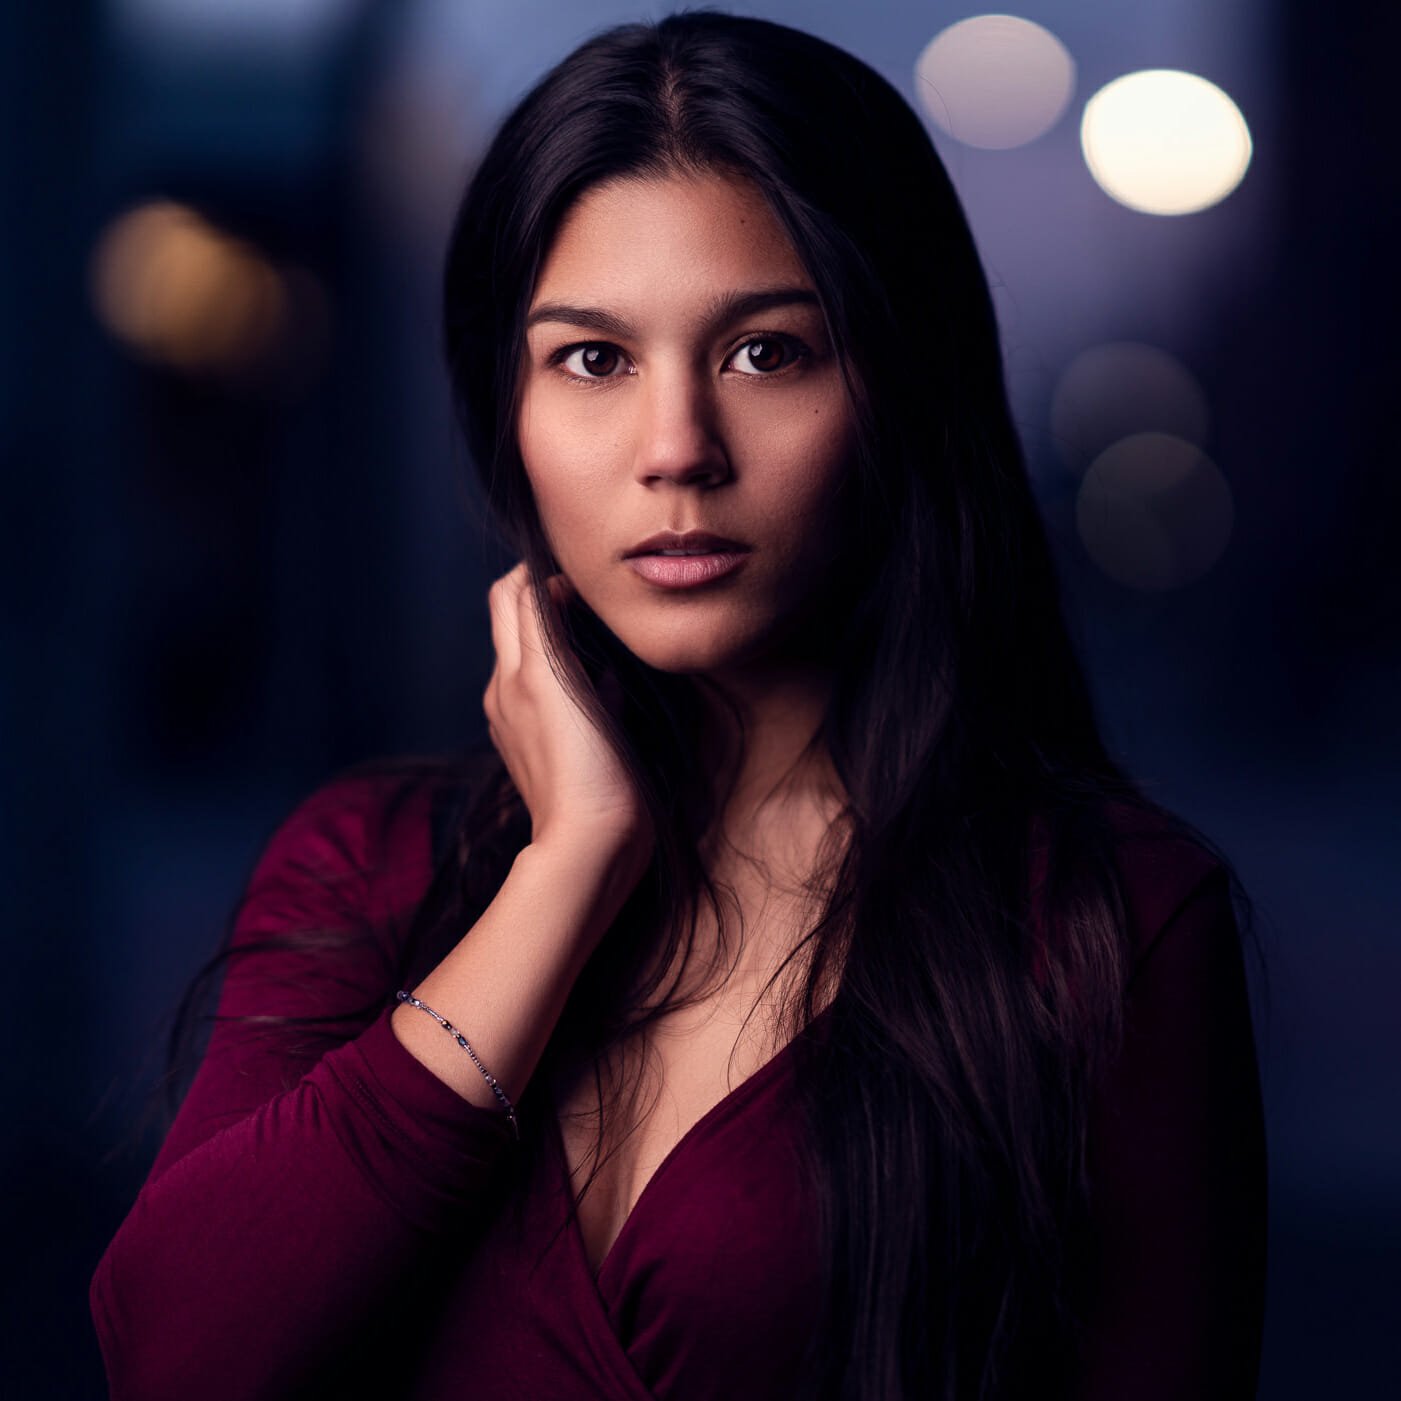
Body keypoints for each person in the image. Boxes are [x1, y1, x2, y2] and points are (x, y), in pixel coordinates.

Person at [90, 10, 1267, 1400]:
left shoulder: (1105, 925)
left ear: (902, 389)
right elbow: (175, 1357)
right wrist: (570, 866)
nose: (675, 451)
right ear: (508, 416)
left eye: (766, 353)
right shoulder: (367, 860)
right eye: (593, 359)